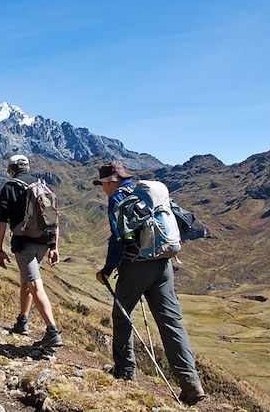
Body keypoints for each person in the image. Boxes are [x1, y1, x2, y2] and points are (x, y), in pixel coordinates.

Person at [93, 161, 206, 406]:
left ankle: (125, 370)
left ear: (111, 181)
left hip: (136, 265)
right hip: (163, 263)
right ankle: (191, 383)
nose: (103, 189)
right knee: (171, 322)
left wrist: (107, 270)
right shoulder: (146, 194)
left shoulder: (118, 198)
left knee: (122, 316)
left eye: (103, 184)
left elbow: (118, 240)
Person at [0, 154, 62, 347]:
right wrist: (54, 246)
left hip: (24, 244)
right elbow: (54, 218)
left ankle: (52, 331)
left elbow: (1, 221)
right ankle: (22, 321)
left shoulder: (10, 187)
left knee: (34, 284)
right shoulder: (42, 186)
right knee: (26, 280)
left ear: (11, 169)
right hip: (43, 242)